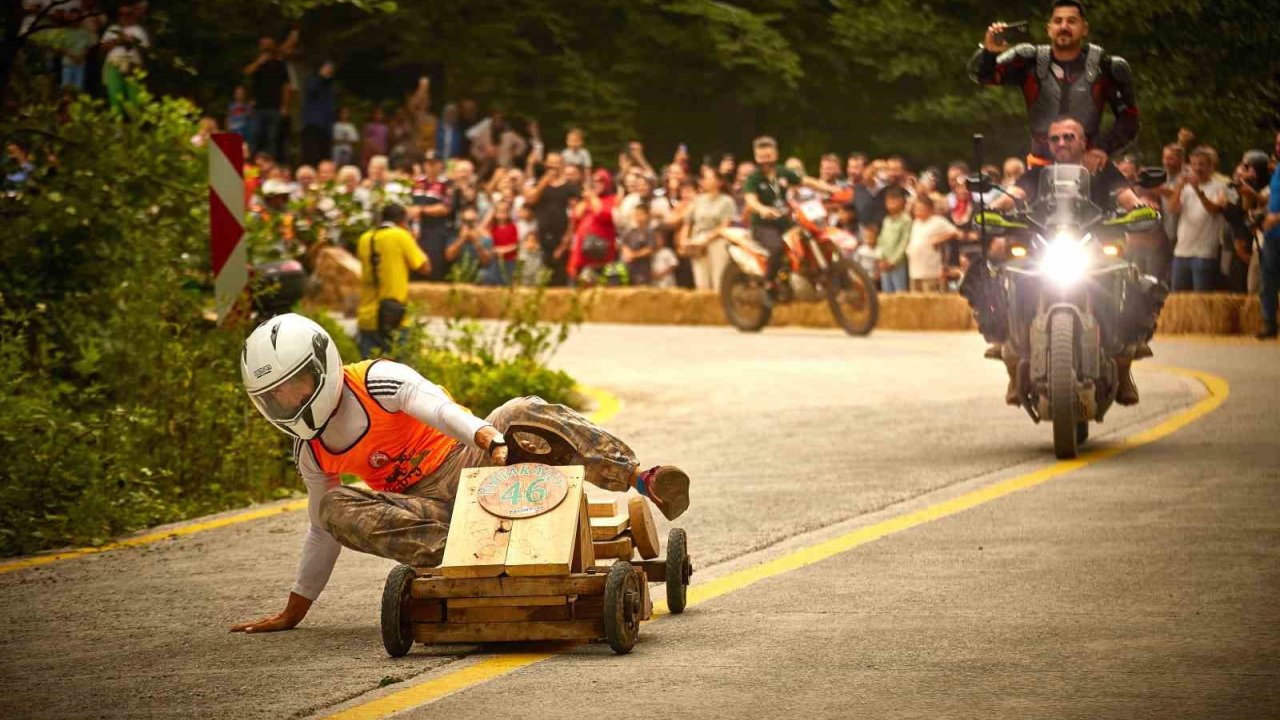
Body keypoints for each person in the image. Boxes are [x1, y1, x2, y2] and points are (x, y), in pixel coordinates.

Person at [230, 314, 691, 633]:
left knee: (519, 410)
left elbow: (436, 407)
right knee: (331, 505)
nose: (292, 401)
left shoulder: (376, 380)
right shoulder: (310, 451)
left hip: (472, 462)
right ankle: (465, 554)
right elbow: (320, 530)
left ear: (322, 364)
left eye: (298, 386)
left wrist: (486, 435)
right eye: (279, 397)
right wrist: (295, 609)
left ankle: (639, 476)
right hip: (426, 510)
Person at [977, 116, 1155, 406]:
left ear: (1084, 141)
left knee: (1131, 282)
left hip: (1093, 245)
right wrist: (992, 210)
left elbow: (1126, 196)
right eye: (1056, 138)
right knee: (1004, 281)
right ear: (1048, 143)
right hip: (1047, 246)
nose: (1062, 143)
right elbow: (1014, 195)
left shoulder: (1101, 169)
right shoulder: (1038, 172)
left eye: (1069, 137)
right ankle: (1011, 362)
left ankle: (1124, 368)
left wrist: (1138, 209)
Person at [968, 0, 1139, 165]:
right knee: (1008, 195)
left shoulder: (1106, 67)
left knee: (1127, 195)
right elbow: (980, 75)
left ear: (1084, 28)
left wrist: (1103, 149)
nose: (1064, 27)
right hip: (1040, 168)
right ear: (1049, 29)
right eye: (1058, 21)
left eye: (1071, 21)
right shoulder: (1028, 61)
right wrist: (989, 51)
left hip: (1089, 167)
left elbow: (1129, 120)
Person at [742, 136, 840, 300]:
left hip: (785, 222)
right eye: (761, 157)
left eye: (769, 156)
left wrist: (830, 188)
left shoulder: (782, 172)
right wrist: (762, 209)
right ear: (756, 158)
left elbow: (805, 181)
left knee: (810, 237)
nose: (765, 161)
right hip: (763, 226)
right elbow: (750, 199)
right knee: (777, 248)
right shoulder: (753, 178)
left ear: (775, 154)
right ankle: (768, 284)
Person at [353, 204, 428, 359]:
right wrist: (412, 240)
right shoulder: (401, 236)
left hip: (367, 317)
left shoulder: (364, 238)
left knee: (367, 376)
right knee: (400, 376)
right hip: (394, 318)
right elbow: (425, 267)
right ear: (402, 221)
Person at [1168, 146, 1227, 292]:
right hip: (1181, 251)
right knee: (1178, 299)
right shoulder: (1185, 188)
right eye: (1193, 164)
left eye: (1201, 164)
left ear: (1211, 166)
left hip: (1204, 253)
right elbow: (1172, 209)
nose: (1197, 168)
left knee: (1200, 300)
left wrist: (1198, 190)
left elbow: (1214, 210)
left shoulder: (1220, 187)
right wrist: (1180, 187)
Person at [524, 152, 581, 285]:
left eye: (557, 163)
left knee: (560, 276)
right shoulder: (540, 184)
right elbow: (531, 199)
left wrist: (566, 240)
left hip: (561, 237)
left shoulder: (570, 187)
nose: (553, 166)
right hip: (542, 237)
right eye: (550, 163)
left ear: (562, 165)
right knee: (542, 276)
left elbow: (574, 215)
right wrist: (544, 181)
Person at [1258, 131, 1280, 340]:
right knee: (1268, 280)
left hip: (1276, 226)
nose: (1278, 147)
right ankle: (1269, 322)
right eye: (1277, 144)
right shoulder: (1277, 170)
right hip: (1273, 235)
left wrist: (1277, 217)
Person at [300, 62, 337, 167]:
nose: (329, 70)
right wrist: (321, 76)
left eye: (331, 68)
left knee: (324, 155)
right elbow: (311, 89)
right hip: (312, 123)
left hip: (326, 126)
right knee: (311, 154)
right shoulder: (313, 80)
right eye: (327, 67)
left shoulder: (330, 85)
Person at [876, 187, 912, 293]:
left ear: (902, 201)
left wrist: (893, 261)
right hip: (884, 262)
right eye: (888, 201)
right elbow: (881, 240)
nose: (890, 204)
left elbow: (904, 242)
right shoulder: (887, 220)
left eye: (893, 201)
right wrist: (880, 258)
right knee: (887, 293)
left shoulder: (906, 220)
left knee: (900, 293)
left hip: (898, 263)